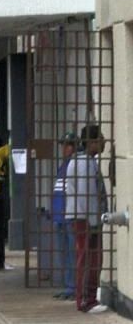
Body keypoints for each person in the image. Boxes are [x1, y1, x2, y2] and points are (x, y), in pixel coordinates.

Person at [66, 125, 109, 314]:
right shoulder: (84, 163)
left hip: (85, 216)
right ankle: (85, 299)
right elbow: (87, 195)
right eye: (100, 138)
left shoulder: (84, 161)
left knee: (91, 258)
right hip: (85, 217)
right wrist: (94, 221)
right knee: (89, 258)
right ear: (91, 142)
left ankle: (87, 298)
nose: (104, 141)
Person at [51, 133, 77, 300]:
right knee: (65, 253)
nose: (64, 148)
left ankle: (74, 287)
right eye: (63, 145)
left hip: (69, 215)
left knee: (72, 253)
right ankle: (69, 287)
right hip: (60, 215)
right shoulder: (63, 165)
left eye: (68, 145)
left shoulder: (75, 165)